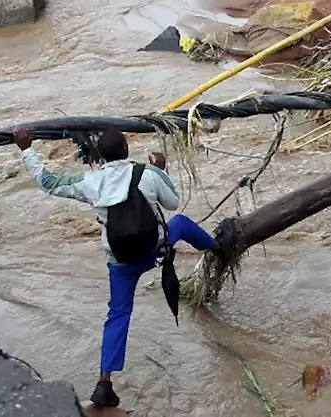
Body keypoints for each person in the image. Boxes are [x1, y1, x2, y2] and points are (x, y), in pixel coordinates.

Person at [13, 127, 219, 409]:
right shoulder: (147, 173)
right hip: (154, 251)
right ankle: (219, 248)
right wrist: (161, 169)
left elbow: (49, 182)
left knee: (118, 315)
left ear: (100, 155)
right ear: (126, 150)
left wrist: (26, 149)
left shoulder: (92, 182)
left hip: (121, 263)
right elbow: (172, 203)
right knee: (181, 223)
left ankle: (104, 383)